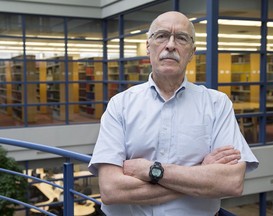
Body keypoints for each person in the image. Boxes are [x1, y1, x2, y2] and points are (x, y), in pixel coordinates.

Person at [88, 11, 259, 216]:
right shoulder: (120, 105)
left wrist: (149, 170)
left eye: (181, 38)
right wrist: (199, 176)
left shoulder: (216, 104)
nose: (170, 45)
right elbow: (110, 189)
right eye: (161, 36)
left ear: (192, 52)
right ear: (148, 47)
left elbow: (231, 182)